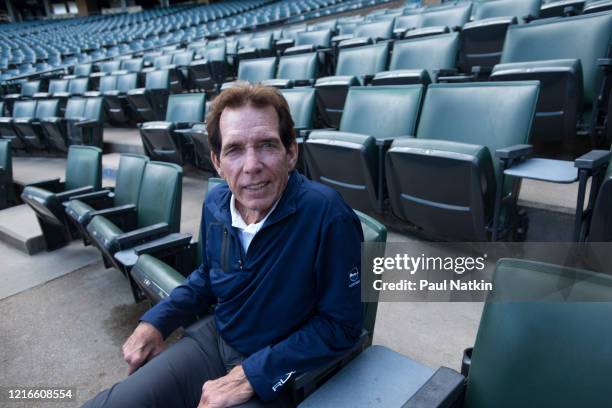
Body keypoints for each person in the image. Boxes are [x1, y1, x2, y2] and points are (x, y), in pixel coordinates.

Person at [82, 84, 364, 408]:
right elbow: (207, 274)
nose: (251, 165)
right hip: (215, 340)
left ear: (291, 152)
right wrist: (158, 319)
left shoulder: (330, 215)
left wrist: (251, 374)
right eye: (234, 150)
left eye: (267, 145)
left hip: (279, 370)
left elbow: (342, 325)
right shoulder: (216, 202)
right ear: (217, 161)